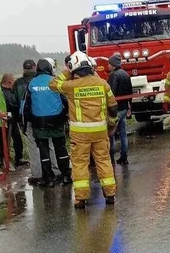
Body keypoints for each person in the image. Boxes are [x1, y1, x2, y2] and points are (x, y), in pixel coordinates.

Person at [49, 52, 118, 209]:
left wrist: (67, 71)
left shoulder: (71, 86)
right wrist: (111, 126)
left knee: (80, 164)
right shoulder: (102, 83)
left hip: (80, 135)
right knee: (104, 161)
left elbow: (53, 84)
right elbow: (113, 107)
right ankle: (110, 195)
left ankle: (81, 200)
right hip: (100, 132)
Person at [23, 59, 72, 187]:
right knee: (60, 148)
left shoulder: (32, 83)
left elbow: (26, 106)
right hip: (57, 119)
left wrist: (25, 123)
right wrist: (66, 117)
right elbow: (65, 101)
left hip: (39, 122)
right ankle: (66, 176)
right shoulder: (55, 81)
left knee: (43, 150)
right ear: (50, 68)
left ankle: (49, 178)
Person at [0, 73, 26, 170]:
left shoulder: (12, 89)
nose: (14, 82)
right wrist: (1, 115)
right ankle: (4, 161)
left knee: (17, 139)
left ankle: (19, 159)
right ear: (9, 82)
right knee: (3, 142)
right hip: (1, 122)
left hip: (12, 120)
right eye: (13, 80)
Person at [107, 53, 132, 165]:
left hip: (116, 109)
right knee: (123, 134)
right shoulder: (126, 74)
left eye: (109, 63)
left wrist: (109, 108)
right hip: (124, 107)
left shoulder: (114, 75)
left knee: (111, 134)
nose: (108, 65)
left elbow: (111, 93)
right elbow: (130, 93)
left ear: (113, 64)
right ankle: (124, 157)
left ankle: (111, 158)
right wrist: (129, 107)